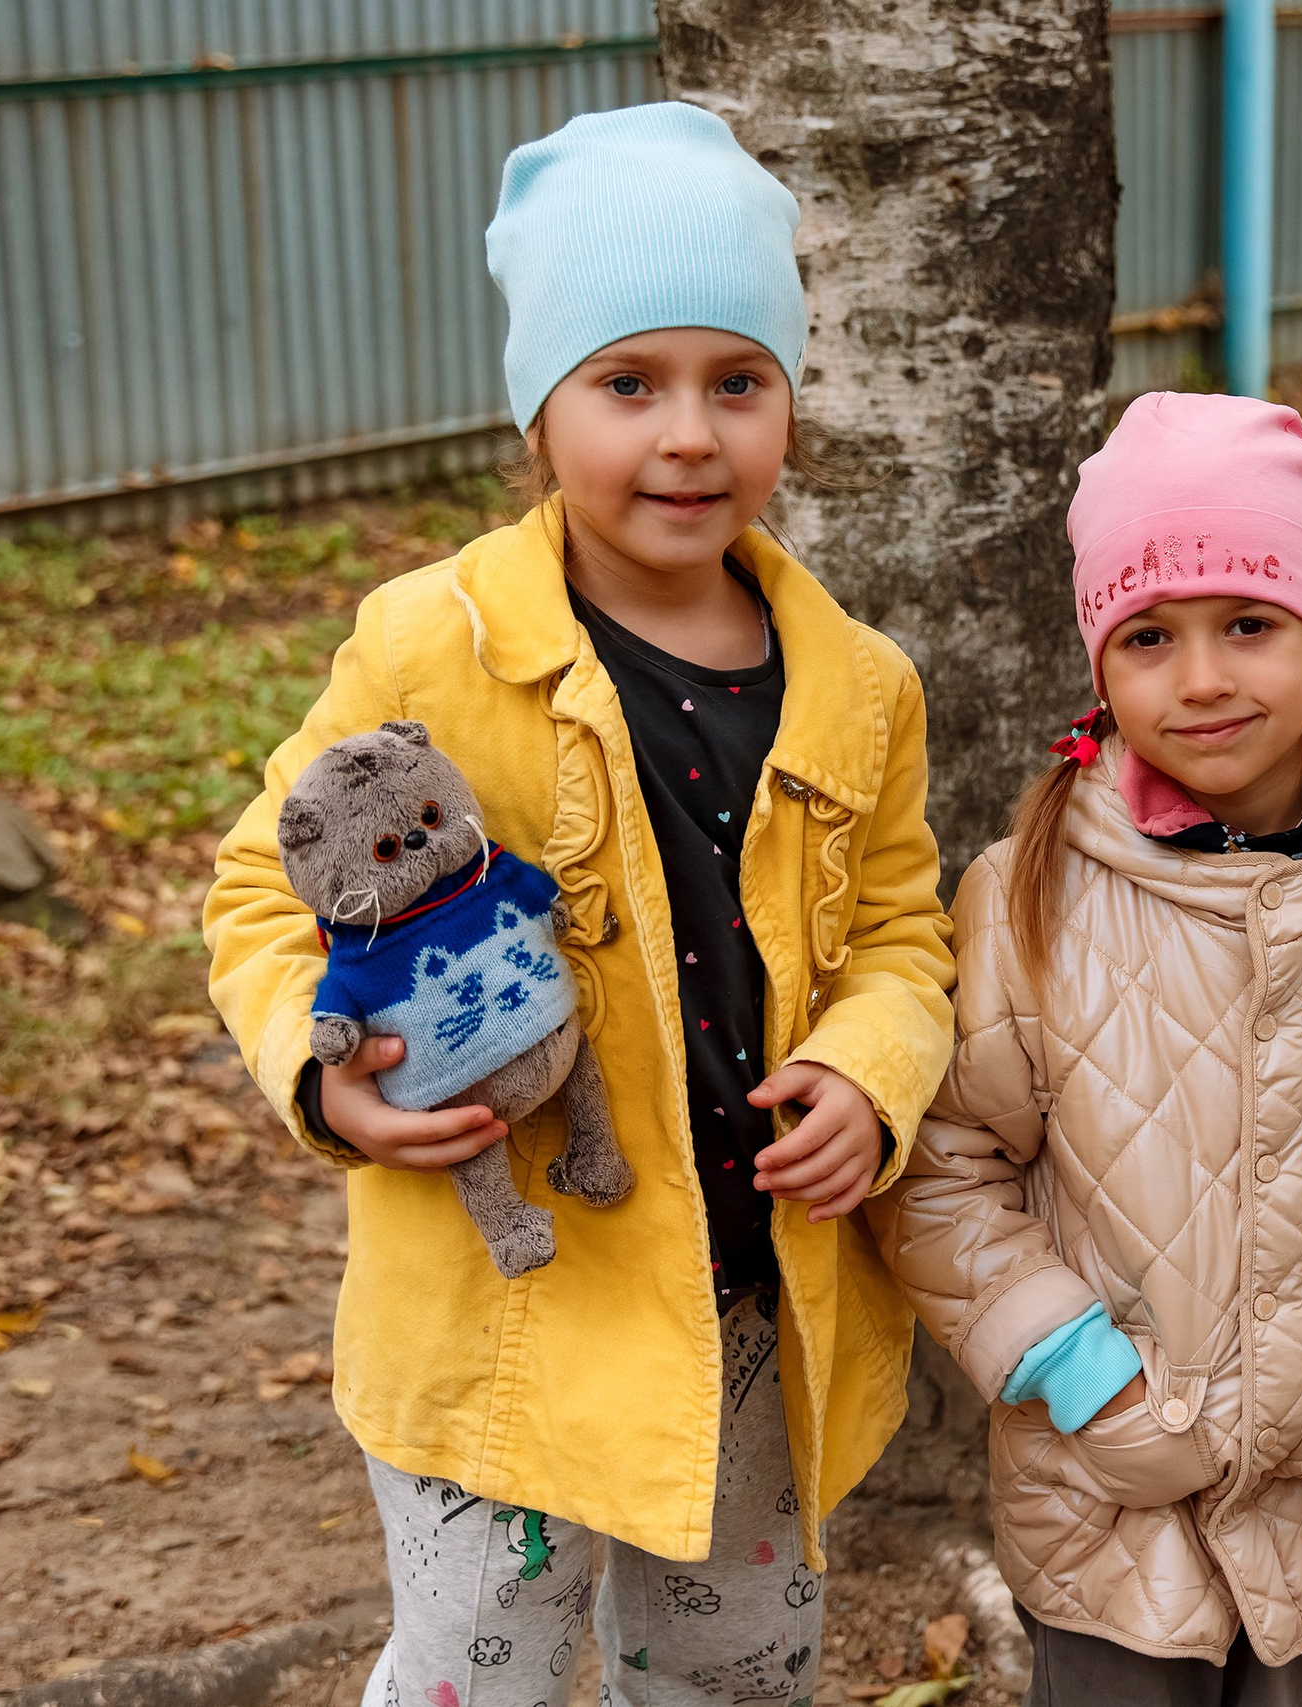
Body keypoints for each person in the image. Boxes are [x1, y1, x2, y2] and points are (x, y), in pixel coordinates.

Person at [203, 103, 957, 1707]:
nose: (688, 436)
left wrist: (873, 1074)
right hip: (509, 1304)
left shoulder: (862, 688)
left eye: (736, 382)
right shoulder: (431, 644)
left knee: (735, 1669)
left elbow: (903, 932)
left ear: (789, 409)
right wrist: (322, 1079)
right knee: (483, 1662)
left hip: (755, 1288)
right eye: (629, 383)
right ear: (538, 413)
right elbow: (264, 891)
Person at [870, 391, 1302, 1707]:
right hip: (1107, 1489)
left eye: (1247, 625)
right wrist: (1077, 1375)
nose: (1201, 680)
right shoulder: (1032, 889)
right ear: (1102, 668)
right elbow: (942, 1162)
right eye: (1149, 637)